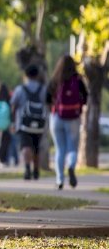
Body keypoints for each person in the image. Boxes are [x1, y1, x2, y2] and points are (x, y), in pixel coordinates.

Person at [47, 55, 88, 190]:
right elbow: (85, 97)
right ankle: (71, 166)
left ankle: (59, 179)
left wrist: (53, 107)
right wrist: (79, 107)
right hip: (73, 118)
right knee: (72, 148)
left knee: (60, 149)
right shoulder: (77, 80)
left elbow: (47, 98)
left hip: (57, 117)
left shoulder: (55, 80)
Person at [10, 64, 48, 181]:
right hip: (40, 124)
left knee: (26, 146)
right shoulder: (43, 89)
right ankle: (36, 170)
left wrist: (12, 122)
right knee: (36, 147)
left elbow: (13, 105)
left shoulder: (20, 89)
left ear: (25, 75)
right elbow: (48, 104)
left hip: (23, 123)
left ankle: (27, 168)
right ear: (37, 75)